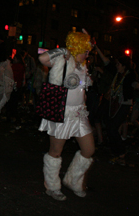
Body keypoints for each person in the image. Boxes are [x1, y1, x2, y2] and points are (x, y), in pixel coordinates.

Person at [38, 31, 94, 201]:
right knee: (55, 151)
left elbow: (81, 86)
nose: (87, 54)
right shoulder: (63, 59)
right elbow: (42, 58)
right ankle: (52, 186)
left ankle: (72, 181)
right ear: (77, 48)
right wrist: (63, 50)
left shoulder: (83, 65)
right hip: (61, 112)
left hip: (79, 113)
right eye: (85, 50)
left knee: (89, 150)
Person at [93, 43, 137, 157]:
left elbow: (132, 83)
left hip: (123, 104)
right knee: (109, 127)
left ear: (124, 66)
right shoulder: (116, 74)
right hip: (113, 103)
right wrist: (97, 48)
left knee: (113, 128)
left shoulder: (129, 75)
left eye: (118, 64)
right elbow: (106, 62)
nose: (116, 65)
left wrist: (135, 85)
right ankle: (115, 150)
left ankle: (121, 151)